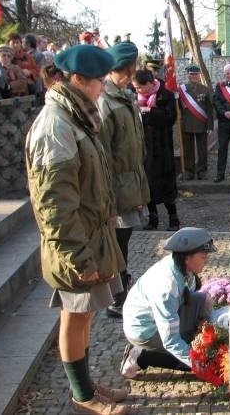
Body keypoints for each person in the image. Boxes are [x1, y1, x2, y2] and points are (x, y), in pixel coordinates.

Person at [25, 44, 130, 414]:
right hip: (75, 242)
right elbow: (54, 204)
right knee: (74, 314)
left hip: (89, 236)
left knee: (86, 314)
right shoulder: (56, 125)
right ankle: (82, 398)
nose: (103, 87)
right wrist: (76, 254)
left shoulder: (76, 117)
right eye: (98, 81)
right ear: (77, 80)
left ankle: (84, 386)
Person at [97, 42, 150, 319]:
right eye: (125, 73)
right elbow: (102, 152)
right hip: (117, 182)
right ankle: (116, 297)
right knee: (117, 239)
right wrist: (108, 195)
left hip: (131, 177)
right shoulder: (106, 100)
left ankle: (121, 288)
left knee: (125, 237)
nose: (130, 78)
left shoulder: (123, 96)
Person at [120, 227, 215, 377]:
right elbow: (171, 340)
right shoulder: (166, 287)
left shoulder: (182, 267)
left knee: (205, 301)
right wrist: (199, 364)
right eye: (203, 256)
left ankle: (191, 340)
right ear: (187, 258)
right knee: (197, 362)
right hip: (146, 330)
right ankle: (140, 355)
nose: (207, 260)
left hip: (169, 313)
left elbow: (189, 296)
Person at [133, 69, 180, 231]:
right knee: (148, 184)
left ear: (148, 84)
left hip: (162, 147)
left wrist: (150, 111)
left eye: (139, 87)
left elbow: (170, 117)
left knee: (165, 183)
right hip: (145, 146)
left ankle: (173, 218)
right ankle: (153, 218)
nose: (137, 91)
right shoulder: (136, 98)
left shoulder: (165, 95)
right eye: (135, 88)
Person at [179, 64, 214, 180]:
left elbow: (210, 109)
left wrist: (210, 125)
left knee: (202, 150)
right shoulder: (181, 90)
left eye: (196, 74)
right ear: (188, 75)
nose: (194, 76)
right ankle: (189, 171)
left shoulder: (205, 89)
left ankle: (202, 171)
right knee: (188, 150)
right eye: (191, 74)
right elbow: (178, 108)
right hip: (186, 124)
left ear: (199, 75)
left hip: (201, 123)